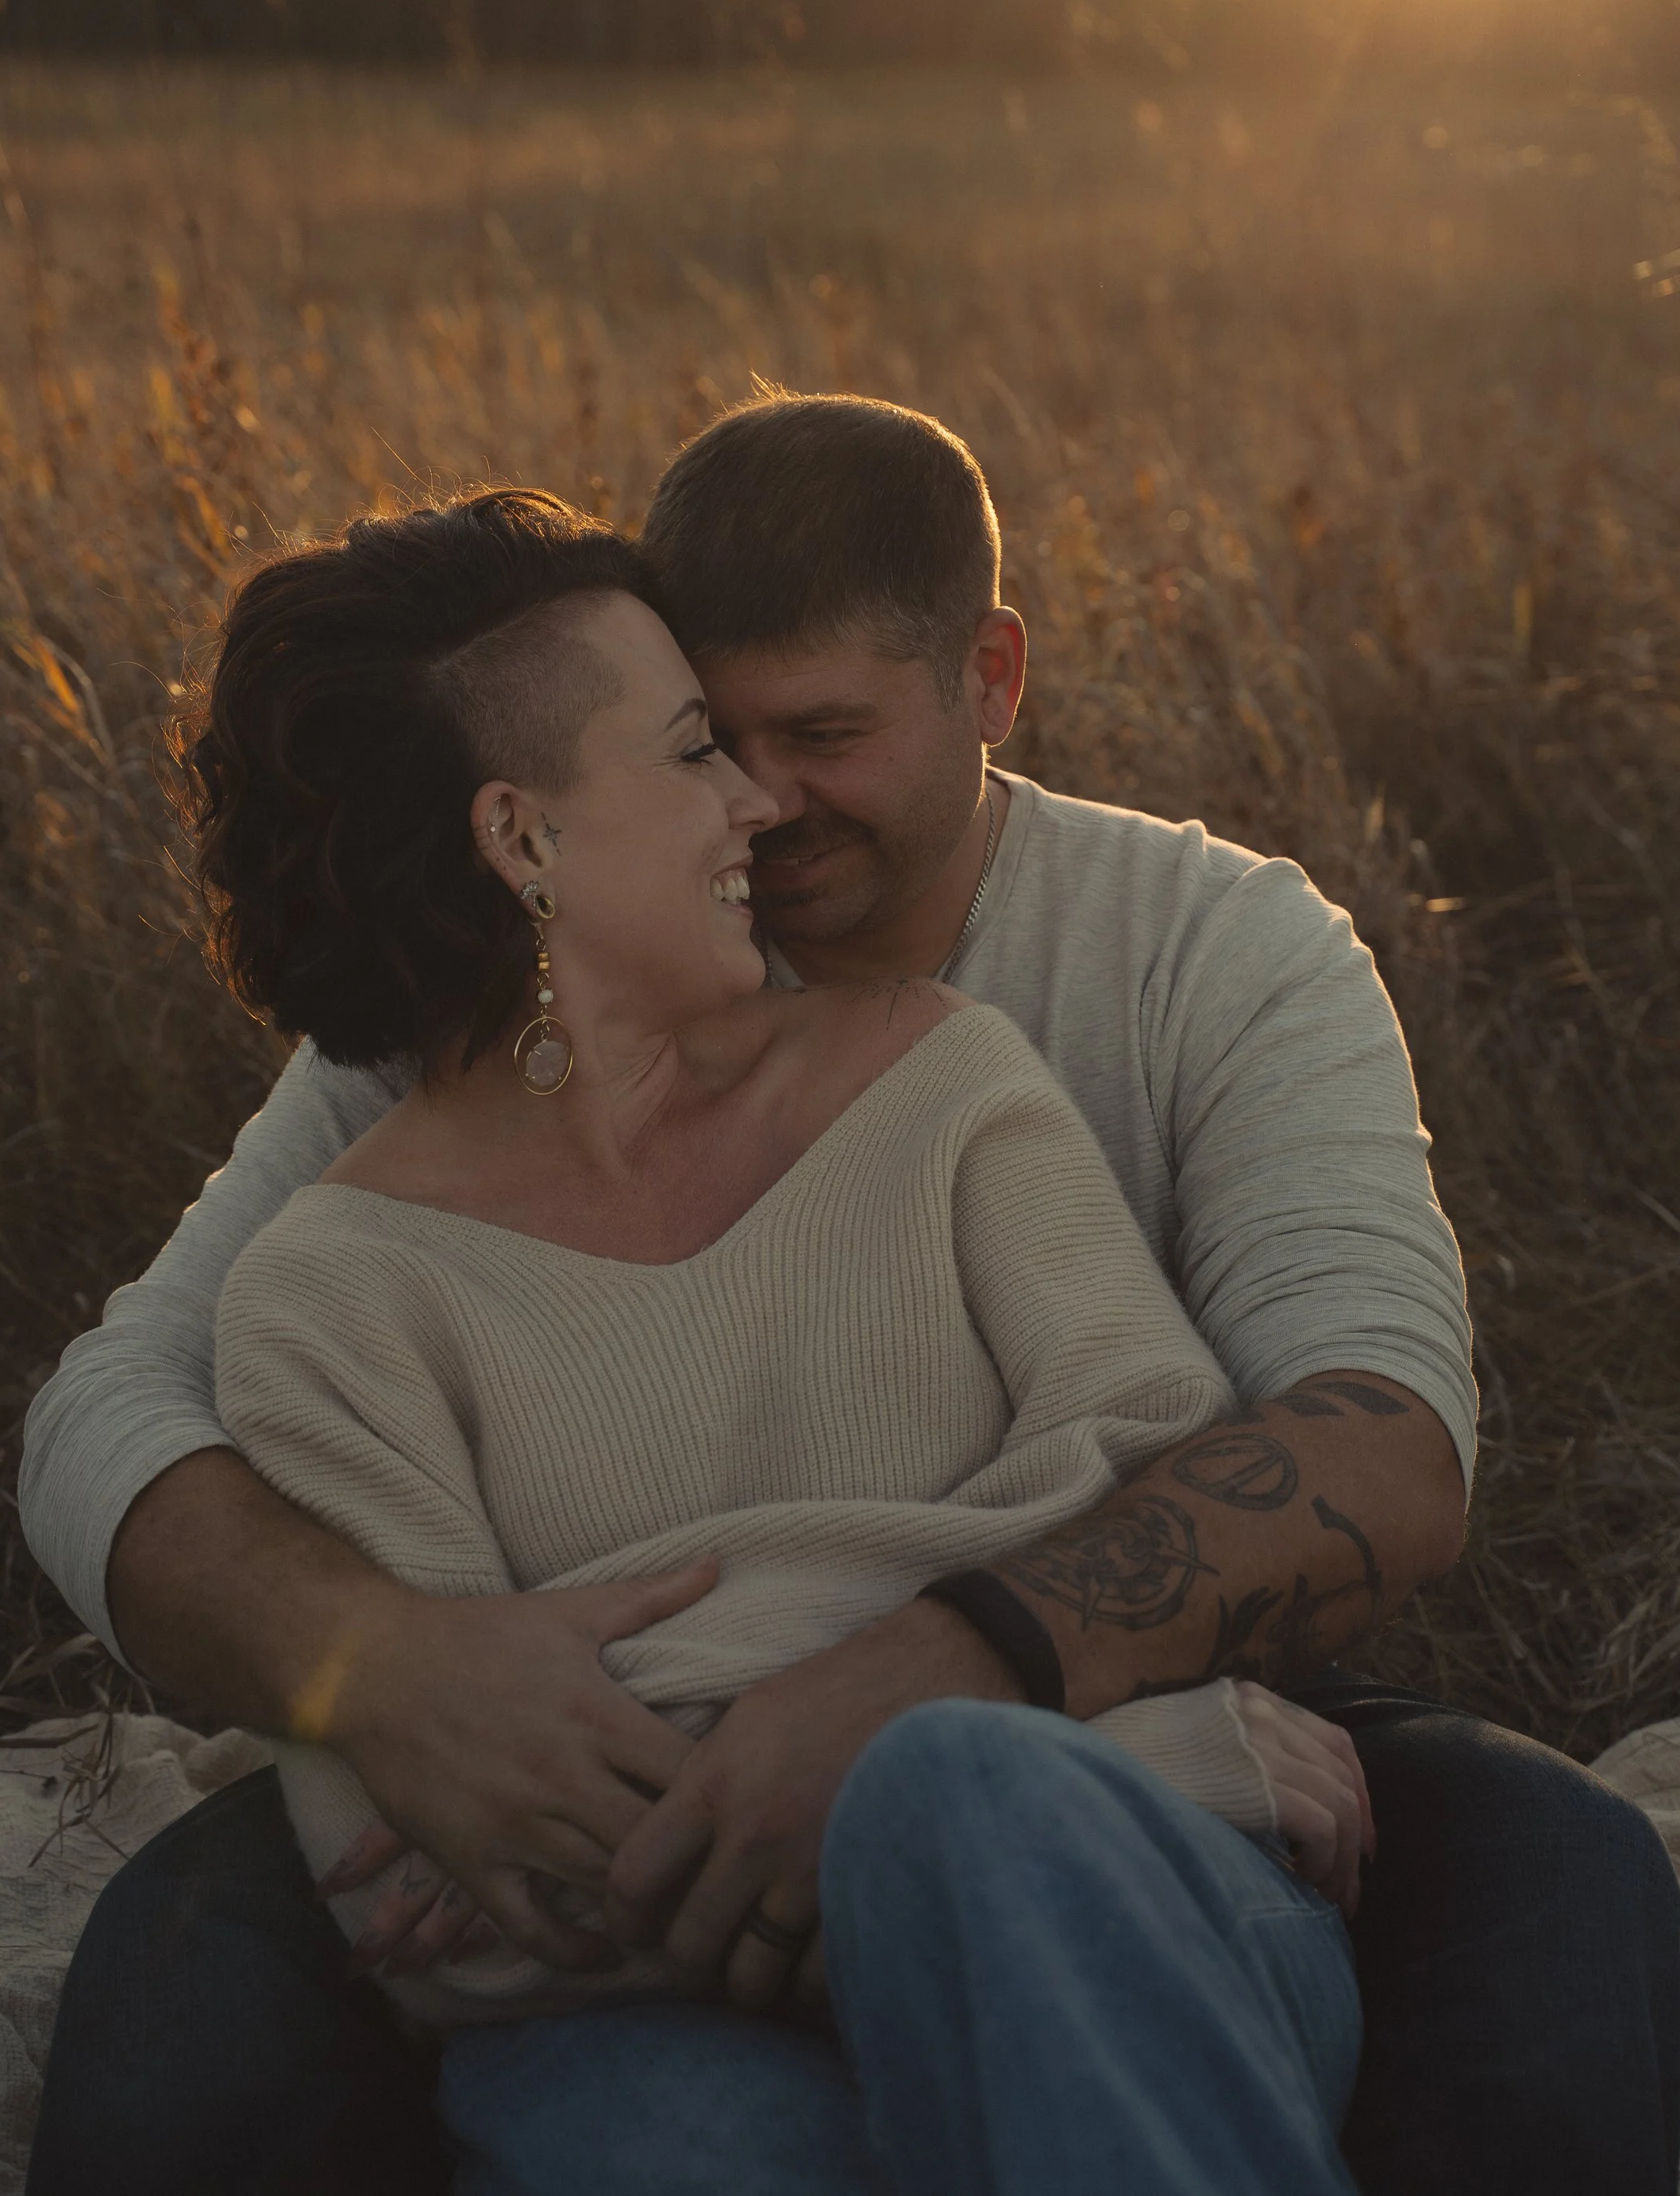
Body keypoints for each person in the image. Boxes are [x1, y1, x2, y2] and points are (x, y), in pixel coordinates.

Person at [21, 397, 1680, 2196]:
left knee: (1551, 1884)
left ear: (989, 677)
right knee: (190, 2009)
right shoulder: (486, 1020)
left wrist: (942, 1675)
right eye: (707, 740)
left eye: (824, 734)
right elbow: (111, 1412)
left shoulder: (1198, 953)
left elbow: (1375, 1438)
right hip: (584, 1760)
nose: (760, 797)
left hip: (1088, 1685)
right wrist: (384, 1669)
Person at [179, 482, 1369, 2196]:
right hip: (653, 2031)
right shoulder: (330, 1304)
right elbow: (442, 1901)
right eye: (687, 753)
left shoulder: (938, 1081)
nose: (752, 801)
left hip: (1106, 1906)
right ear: (523, 842)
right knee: (701, 2149)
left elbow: (1157, 1525)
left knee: (969, 1793)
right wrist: (1100, 1760)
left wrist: (893, 1780)